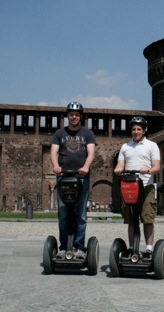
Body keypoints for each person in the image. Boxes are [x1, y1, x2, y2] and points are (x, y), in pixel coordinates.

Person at [50, 102, 96, 259]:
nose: (74, 117)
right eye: (71, 114)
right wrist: (56, 166)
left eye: (76, 114)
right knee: (63, 213)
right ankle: (63, 246)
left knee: (80, 214)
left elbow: (91, 152)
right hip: (63, 177)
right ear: (67, 116)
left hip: (81, 177)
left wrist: (86, 167)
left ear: (80, 116)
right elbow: (53, 151)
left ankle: (79, 247)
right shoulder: (60, 133)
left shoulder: (88, 133)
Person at [114, 116, 160, 261]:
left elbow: (157, 167)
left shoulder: (152, 146)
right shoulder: (125, 147)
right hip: (130, 186)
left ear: (144, 130)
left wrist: (148, 170)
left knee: (147, 218)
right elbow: (120, 165)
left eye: (139, 129)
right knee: (131, 219)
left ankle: (149, 249)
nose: (136, 131)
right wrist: (118, 169)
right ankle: (132, 247)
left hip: (146, 186)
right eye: (134, 129)